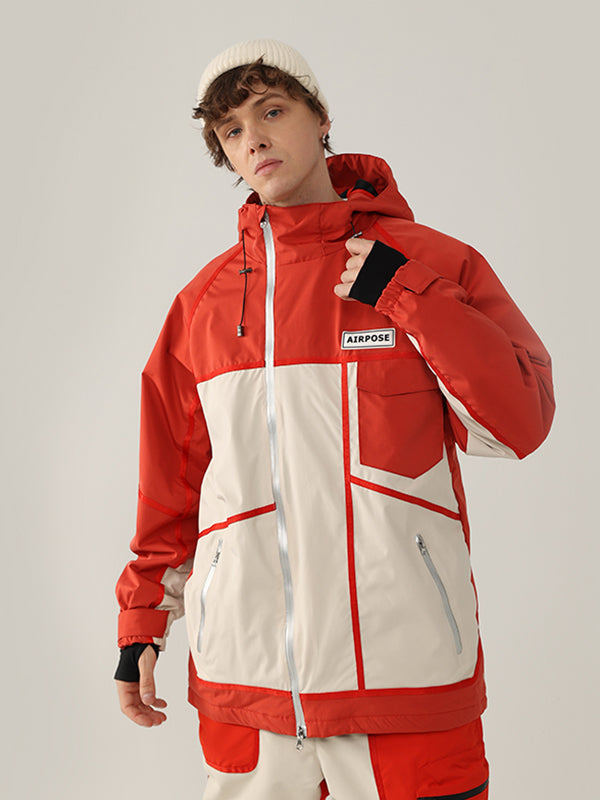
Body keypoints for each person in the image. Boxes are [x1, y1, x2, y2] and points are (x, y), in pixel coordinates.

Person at [114, 38, 555, 800]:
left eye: (271, 111)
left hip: (405, 682)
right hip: (250, 689)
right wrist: (140, 626)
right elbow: (171, 491)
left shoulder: (429, 265)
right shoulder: (202, 308)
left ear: (321, 118)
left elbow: (522, 417)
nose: (253, 139)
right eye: (231, 130)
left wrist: (407, 295)